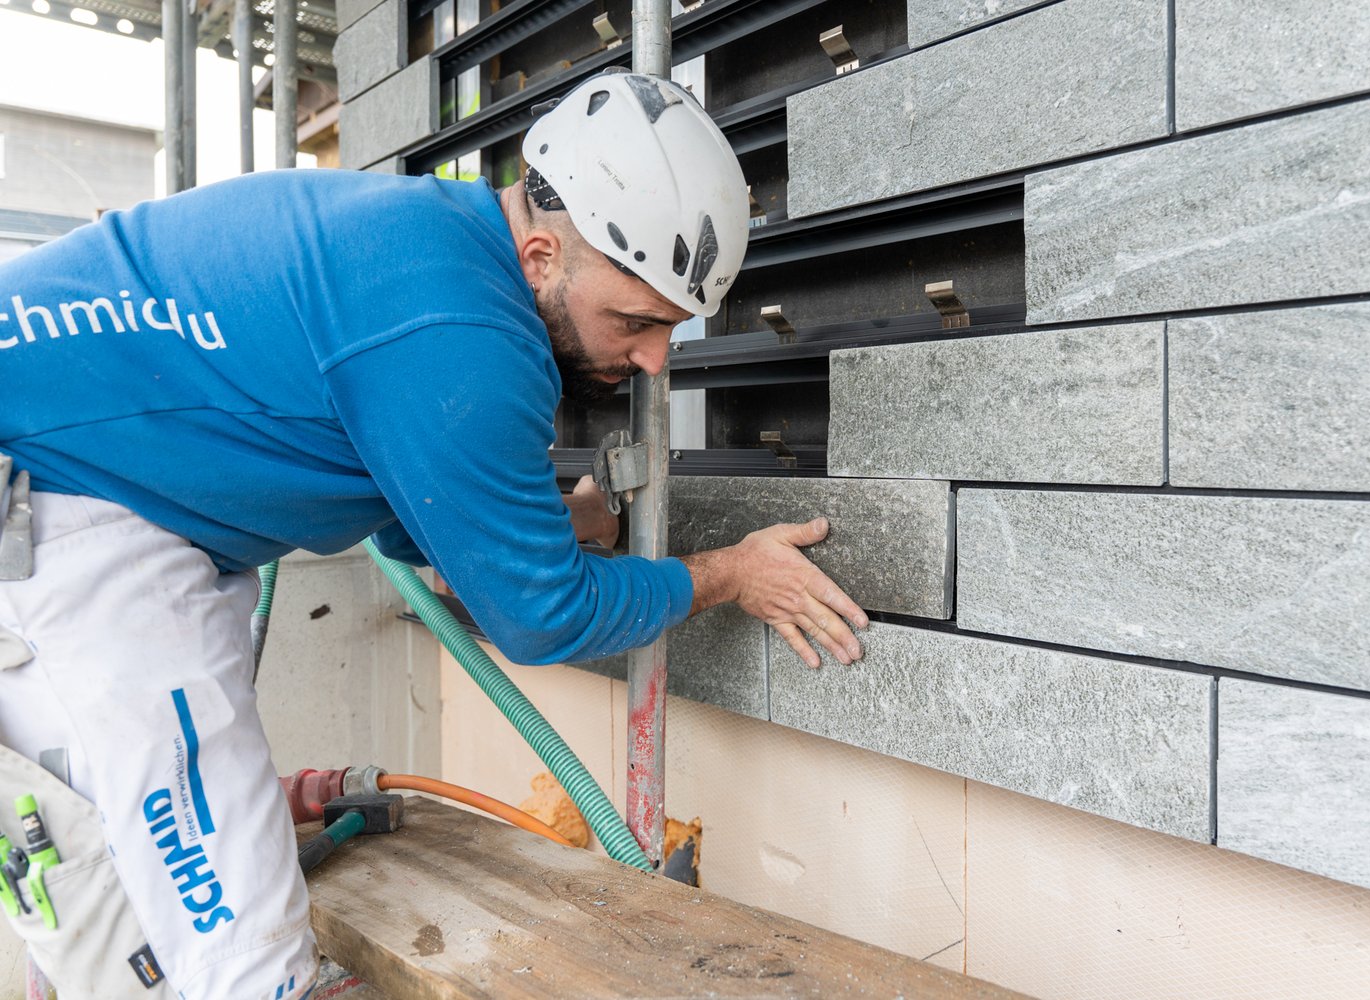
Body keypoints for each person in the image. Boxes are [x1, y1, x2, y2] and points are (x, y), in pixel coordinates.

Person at [0, 70, 866, 998]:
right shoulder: (462, 331)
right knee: (241, 957)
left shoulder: (436, 250)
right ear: (541, 254)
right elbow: (540, 619)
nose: (656, 359)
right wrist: (729, 573)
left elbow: (418, 498)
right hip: (64, 513)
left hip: (91, 501)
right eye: (637, 320)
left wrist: (520, 528)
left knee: (111, 914)